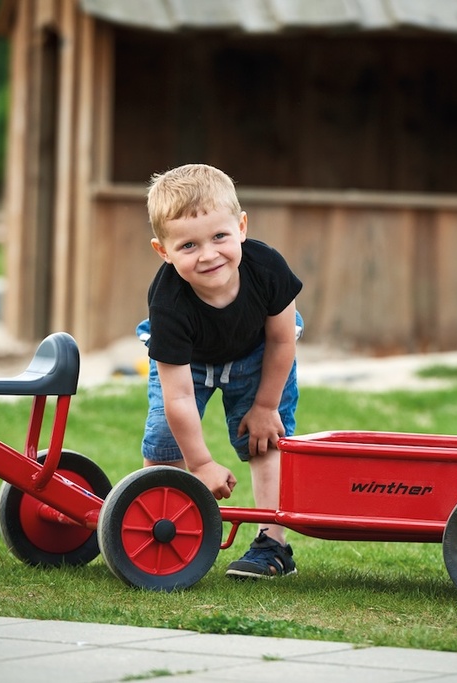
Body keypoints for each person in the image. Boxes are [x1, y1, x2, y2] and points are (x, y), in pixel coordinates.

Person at [136, 163, 303, 579]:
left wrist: (265, 406)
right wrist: (202, 464)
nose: (209, 255)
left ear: (241, 227)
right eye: (188, 246)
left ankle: (272, 545)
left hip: (257, 355)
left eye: (219, 237)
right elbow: (176, 396)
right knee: (162, 443)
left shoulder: (266, 269)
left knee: (267, 439)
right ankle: (164, 530)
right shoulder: (169, 302)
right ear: (164, 251)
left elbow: (283, 340)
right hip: (188, 363)